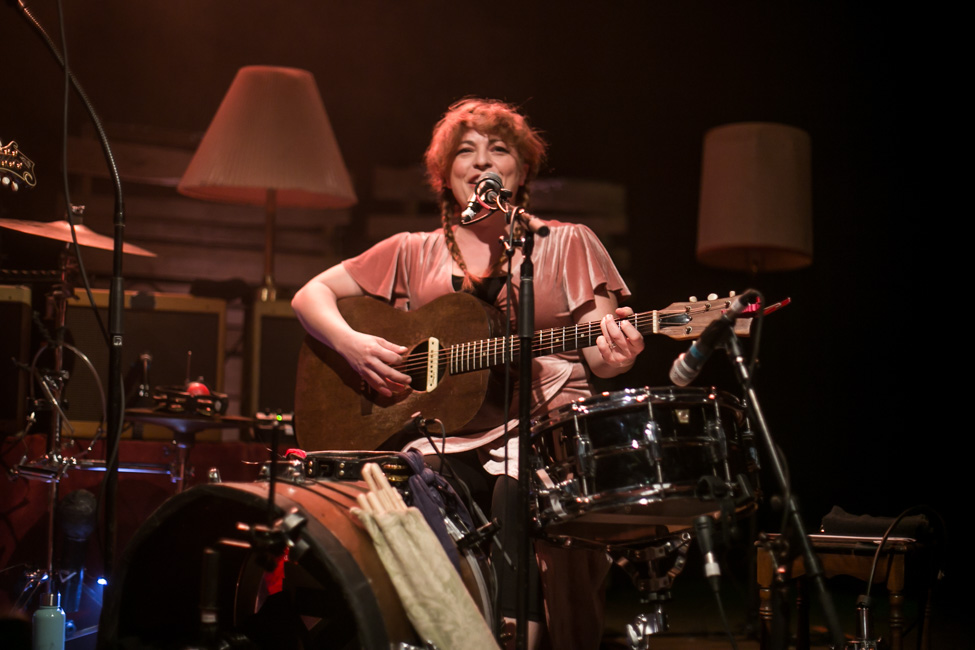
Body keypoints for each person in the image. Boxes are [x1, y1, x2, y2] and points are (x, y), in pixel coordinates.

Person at [291, 97, 644, 649]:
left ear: (520, 171)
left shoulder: (566, 243)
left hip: (545, 430)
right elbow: (309, 295)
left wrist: (620, 351)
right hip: (443, 434)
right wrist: (352, 344)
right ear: (444, 173)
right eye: (466, 152)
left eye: (498, 150)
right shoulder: (411, 251)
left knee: (516, 488)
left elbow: (601, 355)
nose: (482, 163)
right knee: (402, 493)